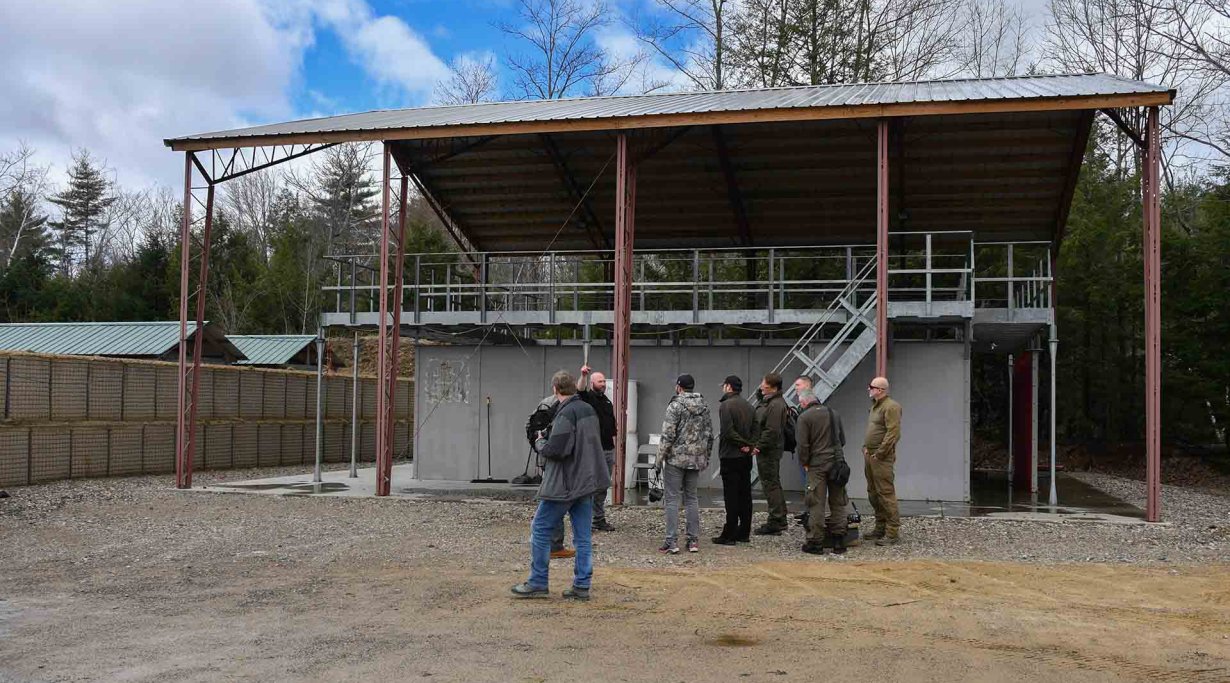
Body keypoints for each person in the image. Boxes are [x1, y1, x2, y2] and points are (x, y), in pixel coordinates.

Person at [511, 371, 611, 600]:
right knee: (583, 537)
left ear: (555, 389)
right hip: (586, 482)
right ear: (573, 388)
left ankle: (537, 582)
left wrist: (540, 441)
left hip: (565, 483)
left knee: (540, 528)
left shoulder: (566, 413)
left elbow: (557, 450)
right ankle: (582, 586)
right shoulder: (588, 409)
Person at [655, 374, 714, 554]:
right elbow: (709, 435)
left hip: (676, 459)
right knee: (691, 498)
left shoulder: (675, 406)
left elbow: (667, 435)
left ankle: (671, 541)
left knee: (672, 499)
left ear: (679, 387)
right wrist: (706, 457)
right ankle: (693, 540)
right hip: (696, 459)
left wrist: (658, 459)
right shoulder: (704, 406)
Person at [795, 388, 849, 555]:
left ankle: (816, 542)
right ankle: (839, 541)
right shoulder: (834, 413)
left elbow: (802, 445)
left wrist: (804, 462)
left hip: (817, 464)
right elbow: (842, 440)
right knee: (838, 502)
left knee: (816, 503)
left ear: (804, 402)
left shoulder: (804, 417)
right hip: (837, 464)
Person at [712, 375, 755, 545]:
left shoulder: (726, 405)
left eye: (724, 385)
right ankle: (744, 532)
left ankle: (729, 534)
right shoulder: (749, 406)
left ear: (729, 386)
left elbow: (728, 432)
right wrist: (749, 446)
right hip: (745, 457)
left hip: (730, 456)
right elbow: (756, 429)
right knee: (745, 494)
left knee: (731, 496)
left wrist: (742, 444)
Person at [863, 376, 902, 545]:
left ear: (880, 390)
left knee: (885, 493)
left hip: (881, 458)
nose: (869, 389)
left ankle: (892, 532)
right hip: (871, 455)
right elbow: (873, 429)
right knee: (873, 492)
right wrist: (866, 447)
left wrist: (880, 453)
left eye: (871, 387)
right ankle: (880, 527)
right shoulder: (875, 406)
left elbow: (893, 433)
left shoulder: (891, 406)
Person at [578, 365, 618, 531]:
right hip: (593, 450)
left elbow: (611, 426)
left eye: (604, 381)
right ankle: (586, 520)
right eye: (600, 381)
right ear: (592, 383)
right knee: (591, 485)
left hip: (608, 449)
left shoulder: (607, 401)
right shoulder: (588, 398)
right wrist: (583, 375)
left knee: (603, 485)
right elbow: (580, 390)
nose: (603, 384)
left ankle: (598, 519)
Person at [751, 373, 790, 535]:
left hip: (769, 450)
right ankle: (779, 518)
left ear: (773, 388)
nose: (761, 386)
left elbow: (772, 430)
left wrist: (759, 446)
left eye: (764, 385)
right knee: (772, 483)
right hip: (769, 449)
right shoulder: (771, 402)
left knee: (770, 484)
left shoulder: (776, 405)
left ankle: (776, 520)